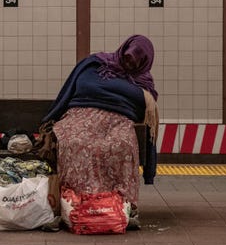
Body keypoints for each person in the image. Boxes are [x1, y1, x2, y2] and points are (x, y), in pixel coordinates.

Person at [42, 34, 159, 230]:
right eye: (127, 57)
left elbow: (140, 103)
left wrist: (115, 91)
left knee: (121, 146)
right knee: (74, 143)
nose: (129, 63)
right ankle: (70, 205)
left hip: (118, 121)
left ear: (144, 63)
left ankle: (123, 207)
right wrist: (128, 91)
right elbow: (87, 85)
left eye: (135, 61)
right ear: (123, 50)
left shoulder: (144, 81)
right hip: (81, 115)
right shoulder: (96, 64)